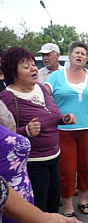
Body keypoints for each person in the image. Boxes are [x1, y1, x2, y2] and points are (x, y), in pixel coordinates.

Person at [0, 47, 76, 216]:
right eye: (26, 67)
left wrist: (64, 118)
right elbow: (3, 136)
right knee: (38, 210)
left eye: (33, 65)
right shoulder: (6, 98)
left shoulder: (41, 88)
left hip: (54, 157)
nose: (34, 69)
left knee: (53, 205)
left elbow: (53, 114)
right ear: (13, 72)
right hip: (32, 164)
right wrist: (25, 131)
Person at [45, 41, 88, 217]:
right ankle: (68, 206)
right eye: (77, 53)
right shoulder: (56, 76)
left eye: (83, 53)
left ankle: (83, 199)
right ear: (70, 56)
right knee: (66, 170)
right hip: (63, 131)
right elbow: (43, 98)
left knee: (86, 167)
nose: (80, 56)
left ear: (86, 58)